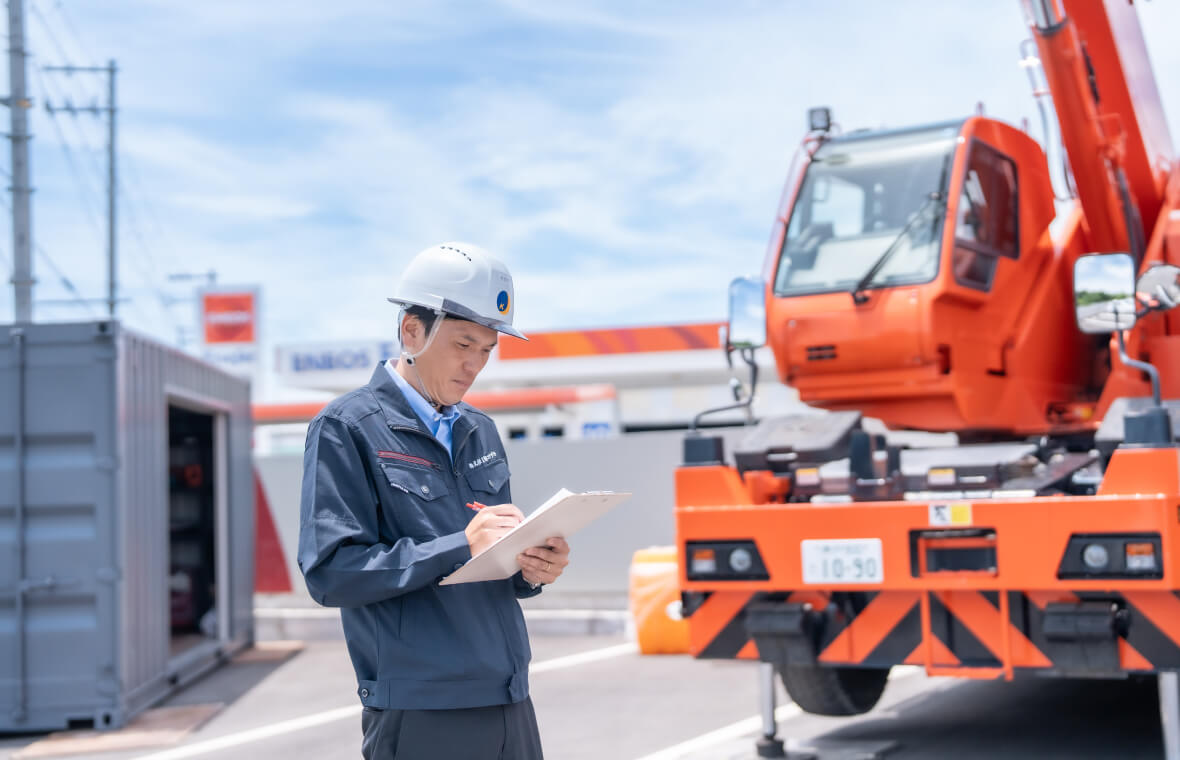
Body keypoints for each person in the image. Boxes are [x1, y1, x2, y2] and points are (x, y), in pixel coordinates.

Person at [298, 242, 570, 760]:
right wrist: (458, 547)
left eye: (487, 350)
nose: (475, 365)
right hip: (424, 713)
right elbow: (329, 572)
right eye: (464, 344)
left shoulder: (480, 430)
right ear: (412, 332)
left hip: (511, 700)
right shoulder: (345, 428)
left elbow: (493, 563)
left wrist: (530, 568)